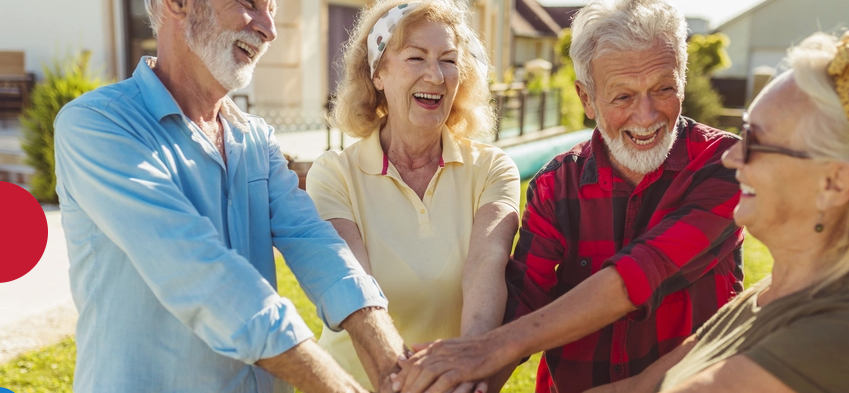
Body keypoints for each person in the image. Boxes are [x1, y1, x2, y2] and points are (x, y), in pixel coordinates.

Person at [391, 1, 743, 392]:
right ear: (587, 99)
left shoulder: (728, 165)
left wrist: (488, 348)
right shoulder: (555, 184)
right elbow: (524, 295)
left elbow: (643, 271)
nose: (647, 116)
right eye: (623, 97)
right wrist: (471, 383)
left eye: (663, 89)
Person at [53, 0, 406, 392]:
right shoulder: (99, 125)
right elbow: (197, 272)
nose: (269, 29)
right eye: (249, 4)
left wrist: (393, 365)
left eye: (272, 9)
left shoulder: (255, 138)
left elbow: (315, 242)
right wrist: (339, 386)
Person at [583, 30, 849, 393]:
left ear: (834, 184)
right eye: (743, 133)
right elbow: (637, 388)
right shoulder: (772, 294)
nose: (732, 156)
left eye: (755, 141)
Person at [305, 0, 520, 390]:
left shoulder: (492, 168)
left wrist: (464, 370)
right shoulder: (334, 173)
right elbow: (355, 288)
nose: (435, 76)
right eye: (416, 58)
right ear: (379, 74)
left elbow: (485, 273)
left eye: (449, 60)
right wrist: (402, 382)